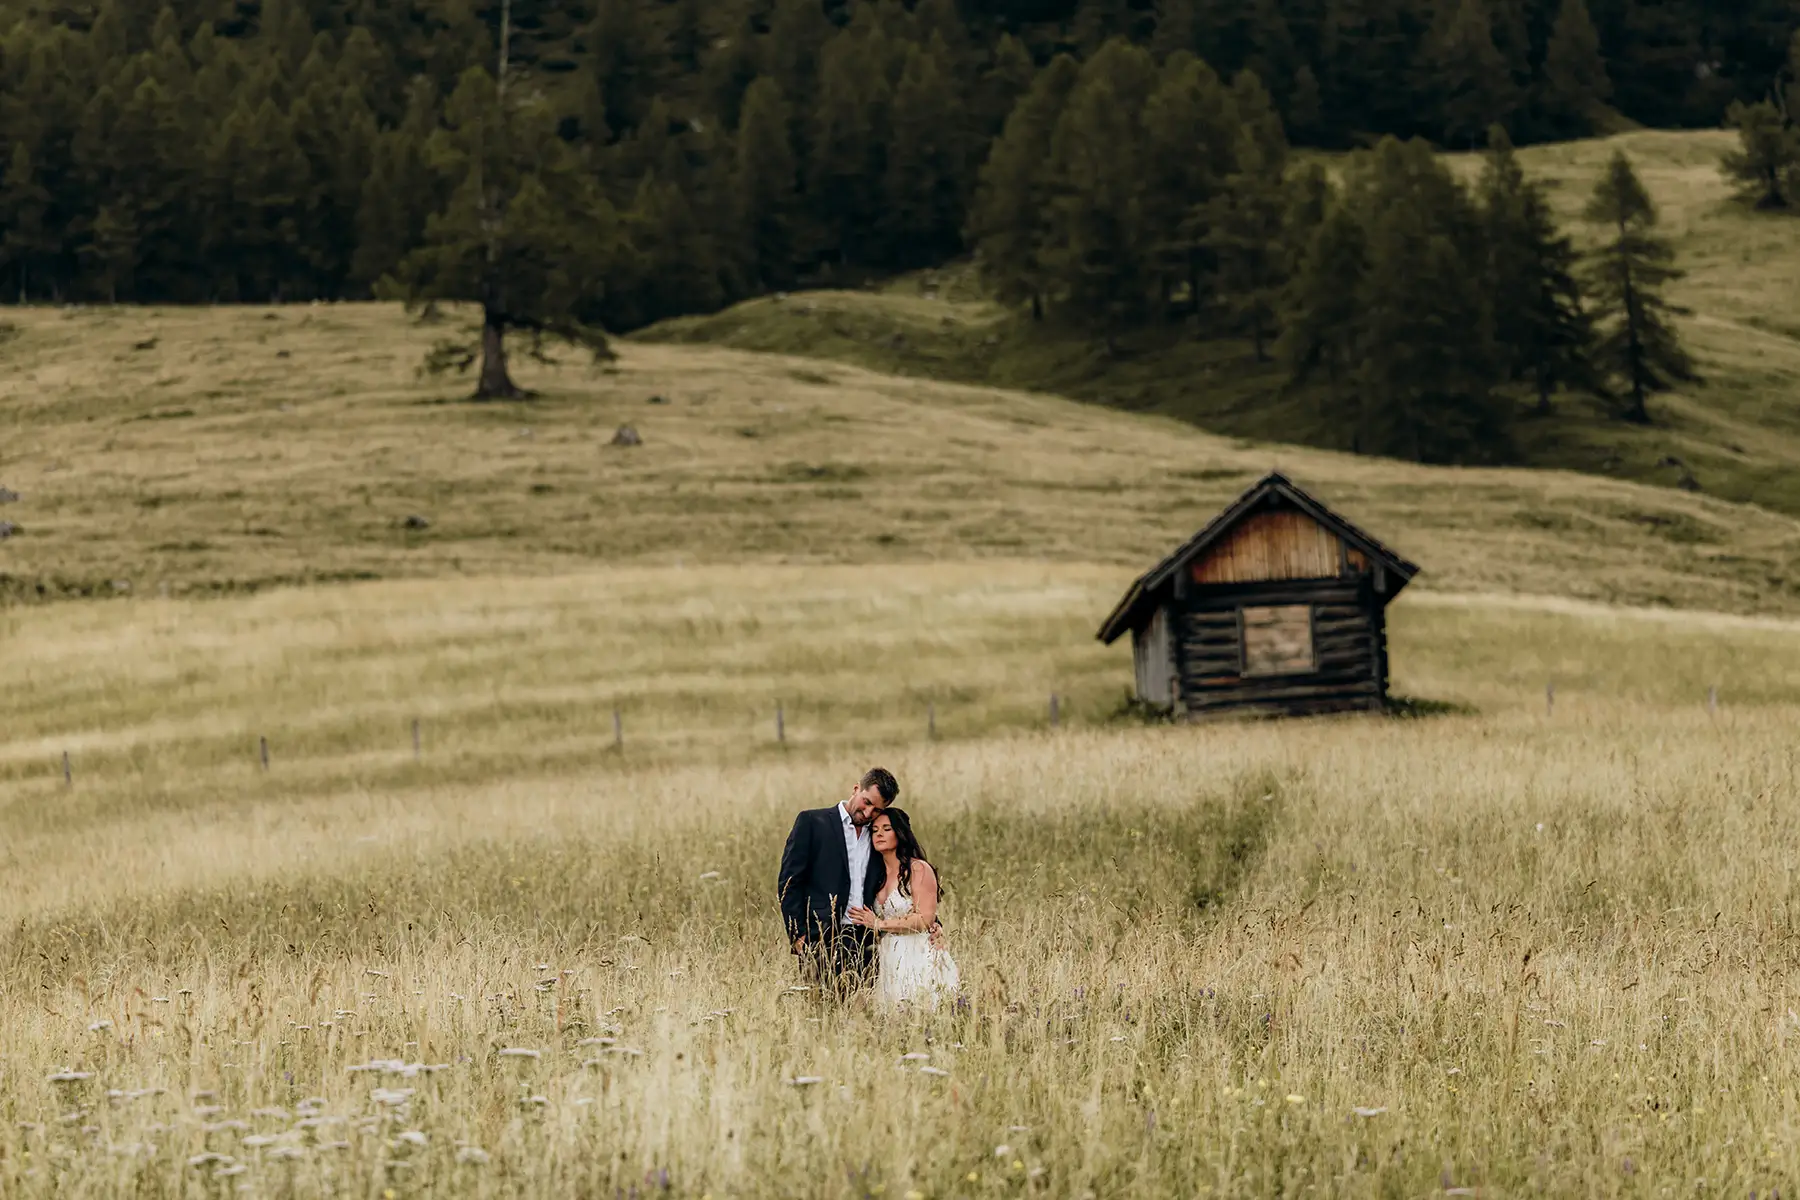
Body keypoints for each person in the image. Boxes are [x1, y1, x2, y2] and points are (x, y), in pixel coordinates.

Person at [777, 768, 898, 999]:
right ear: (856, 789)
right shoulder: (812, 822)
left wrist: (933, 922)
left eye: (877, 809)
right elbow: (789, 883)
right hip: (821, 938)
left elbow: (902, 876)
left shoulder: (880, 833)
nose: (869, 812)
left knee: (862, 1015)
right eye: (867, 802)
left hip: (866, 941)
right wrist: (799, 937)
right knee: (822, 1016)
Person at [848, 807, 960, 1009]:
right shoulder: (876, 874)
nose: (879, 834)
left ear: (899, 833)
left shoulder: (918, 869)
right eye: (874, 830)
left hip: (917, 953)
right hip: (887, 956)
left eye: (886, 828)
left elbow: (926, 918)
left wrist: (878, 923)